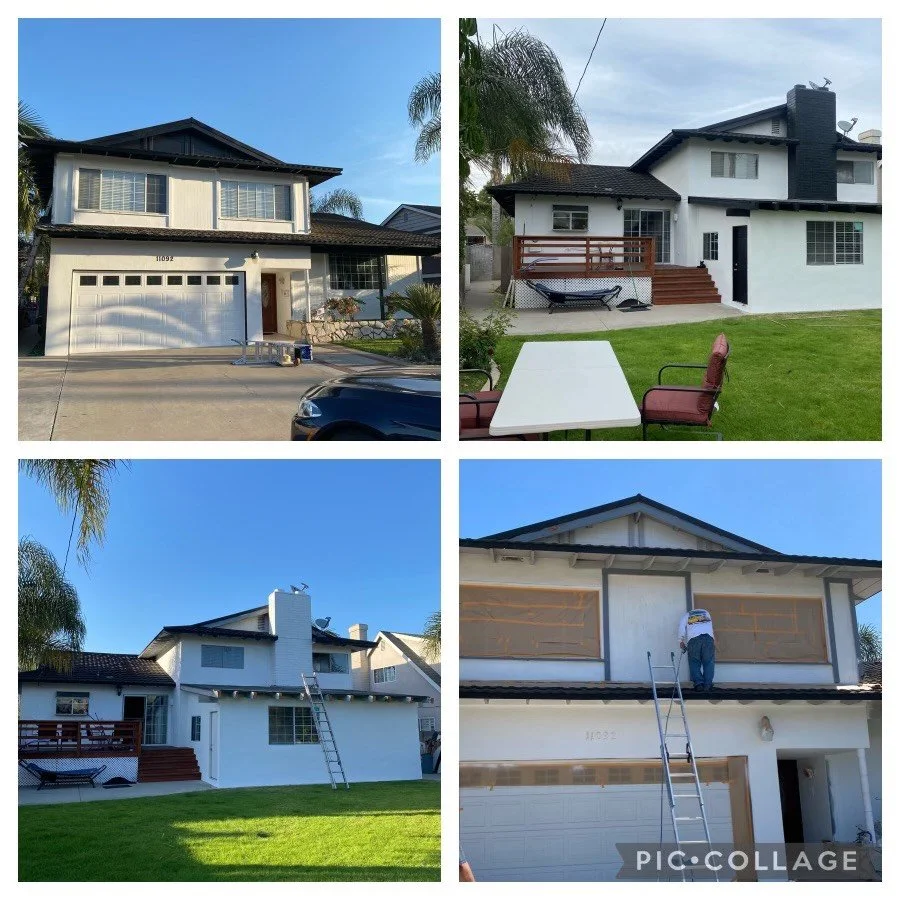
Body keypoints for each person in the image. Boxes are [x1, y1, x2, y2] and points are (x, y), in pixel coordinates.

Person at [678, 607, 716, 690]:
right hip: (708, 638)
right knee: (708, 662)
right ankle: (708, 685)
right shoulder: (706, 613)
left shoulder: (687, 615)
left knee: (694, 662)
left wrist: (681, 641)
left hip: (694, 639)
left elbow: (681, 627)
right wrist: (713, 641)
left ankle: (699, 684)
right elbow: (710, 628)